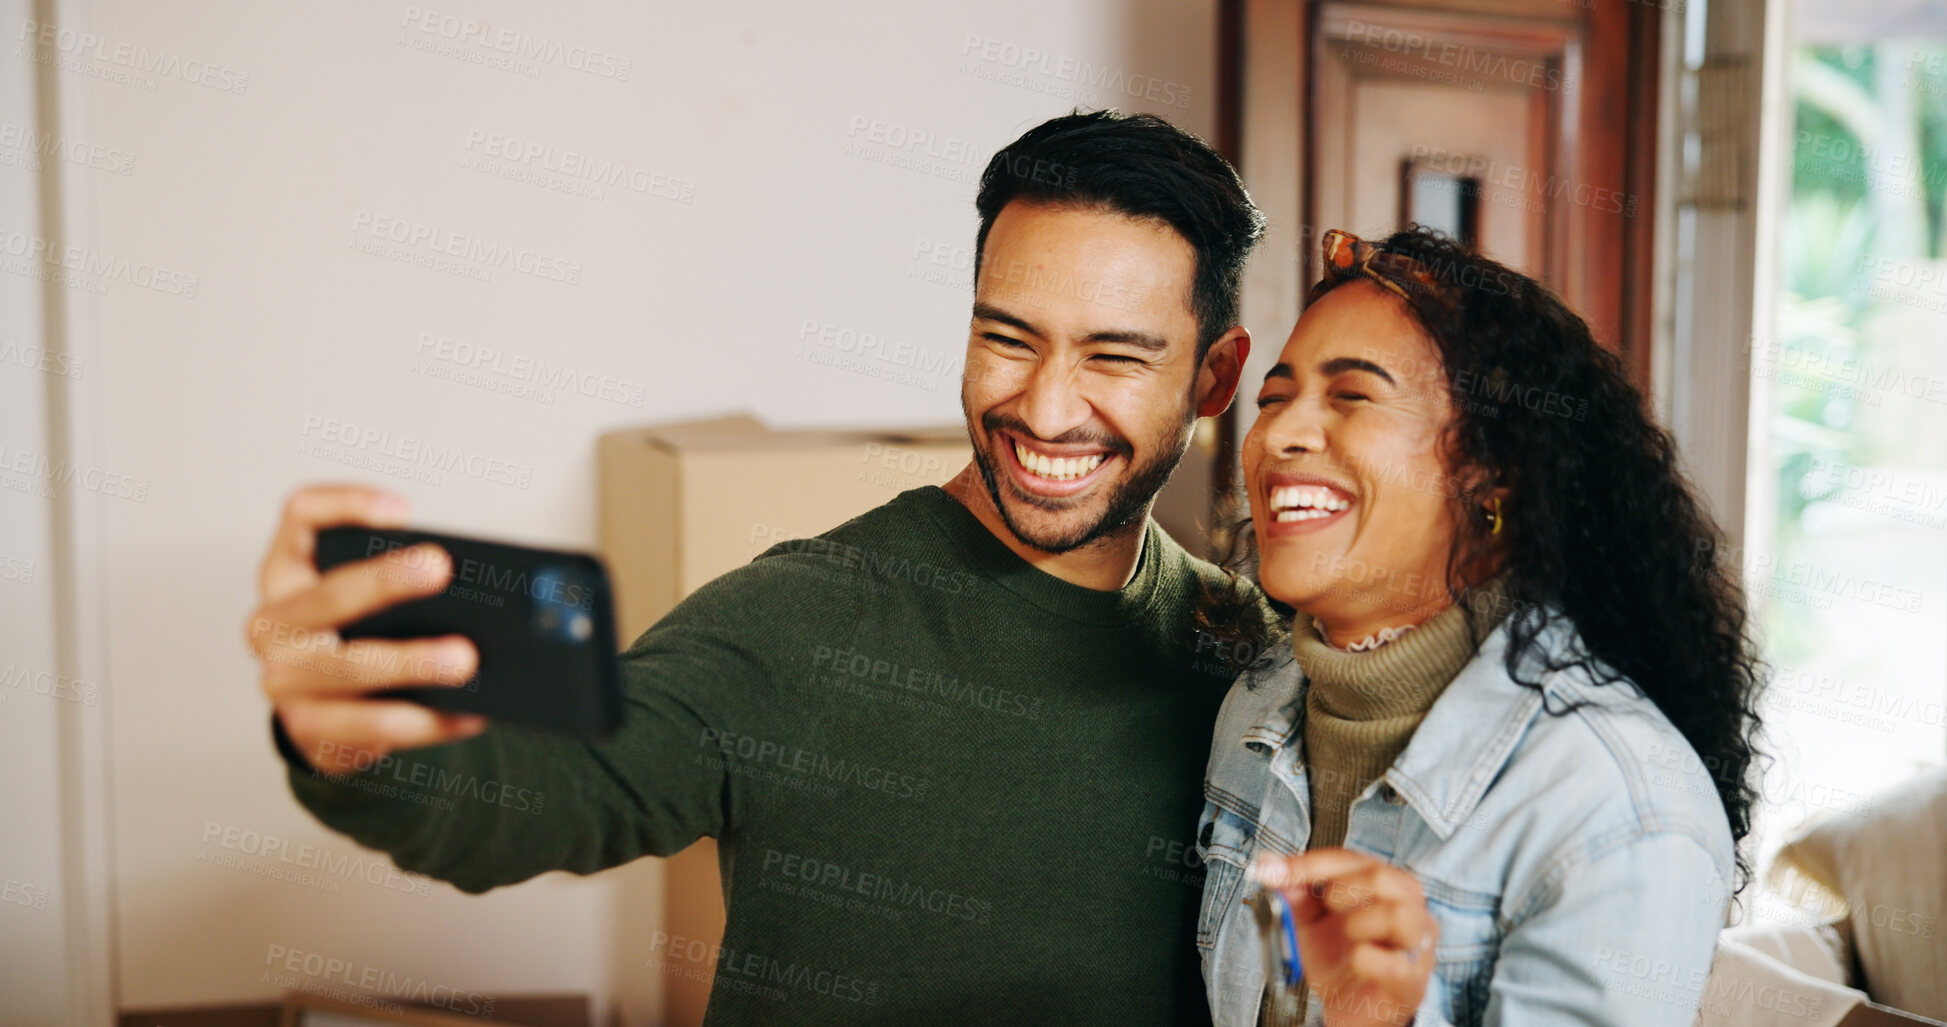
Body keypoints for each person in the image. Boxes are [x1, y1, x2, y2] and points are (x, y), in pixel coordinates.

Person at [245, 110, 1269, 1024]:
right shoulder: (802, 616)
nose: (1045, 408)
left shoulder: (1247, 653)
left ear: (1215, 375)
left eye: (1114, 357)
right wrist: (355, 746)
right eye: (1008, 337)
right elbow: (550, 790)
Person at [1193, 227, 1765, 1026]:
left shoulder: (1621, 807)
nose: (1280, 434)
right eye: (1274, 397)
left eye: (1352, 394)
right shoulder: (1255, 710)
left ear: (1493, 477)